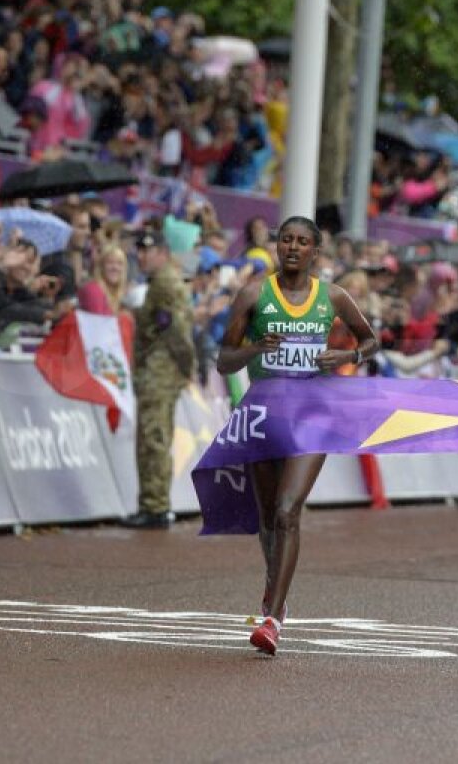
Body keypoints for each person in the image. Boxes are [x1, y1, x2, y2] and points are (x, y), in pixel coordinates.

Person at [215, 215, 377, 655]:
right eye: (285, 239)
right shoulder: (254, 294)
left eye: (302, 242)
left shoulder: (333, 296)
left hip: (312, 415)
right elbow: (224, 361)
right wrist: (254, 348)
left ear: (315, 252)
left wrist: (347, 354)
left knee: (288, 510)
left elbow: (371, 341)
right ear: (275, 246)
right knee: (268, 518)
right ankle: (276, 595)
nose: (292, 247)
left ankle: (272, 616)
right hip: (265, 417)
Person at [120, 230, 195, 528]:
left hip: (159, 370)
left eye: (147, 251)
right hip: (162, 369)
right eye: (138, 251)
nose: (141, 256)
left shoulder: (164, 282)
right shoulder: (166, 280)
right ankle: (156, 504)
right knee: (157, 436)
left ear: (163, 252)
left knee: (153, 438)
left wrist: (186, 365)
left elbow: (174, 328)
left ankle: (154, 506)